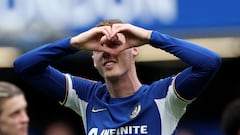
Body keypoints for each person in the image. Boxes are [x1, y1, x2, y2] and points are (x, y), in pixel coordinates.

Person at [14, 19, 221, 135]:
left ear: (134, 50)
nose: (108, 53)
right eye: (99, 48)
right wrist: (73, 43)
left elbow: (209, 63)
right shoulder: (87, 96)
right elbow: (24, 66)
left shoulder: (163, 96)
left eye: (116, 45)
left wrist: (149, 37)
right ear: (92, 58)